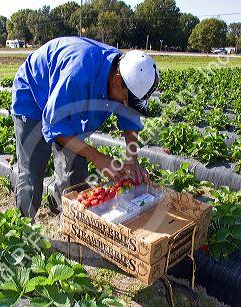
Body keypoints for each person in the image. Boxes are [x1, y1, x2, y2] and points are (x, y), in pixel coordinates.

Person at [11, 36, 159, 218]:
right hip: (33, 94)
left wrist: (131, 159)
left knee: (75, 172)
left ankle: (70, 220)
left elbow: (129, 118)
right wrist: (96, 157)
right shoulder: (79, 74)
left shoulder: (127, 75)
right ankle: (23, 229)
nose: (124, 103)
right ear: (116, 79)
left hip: (66, 100)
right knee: (32, 170)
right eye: (125, 98)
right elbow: (54, 124)